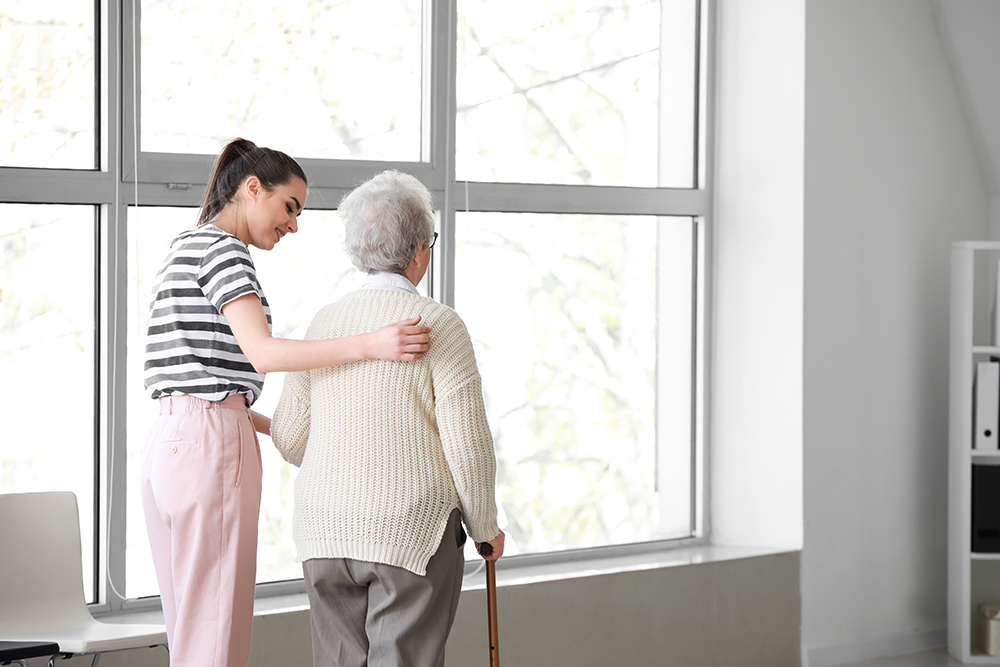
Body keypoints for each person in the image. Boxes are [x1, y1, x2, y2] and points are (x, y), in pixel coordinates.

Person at [140, 140, 431, 667]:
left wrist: (258, 419)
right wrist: (371, 344)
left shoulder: (183, 245)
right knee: (216, 631)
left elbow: (194, 374)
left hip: (169, 443)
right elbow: (264, 354)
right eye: (289, 207)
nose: (293, 224)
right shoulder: (225, 251)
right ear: (253, 189)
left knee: (189, 628)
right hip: (209, 445)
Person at [271, 169, 504, 667]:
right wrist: (485, 528)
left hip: (324, 533)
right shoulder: (438, 325)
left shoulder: (324, 323)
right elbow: (468, 447)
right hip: (411, 533)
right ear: (420, 248)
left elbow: (291, 440)